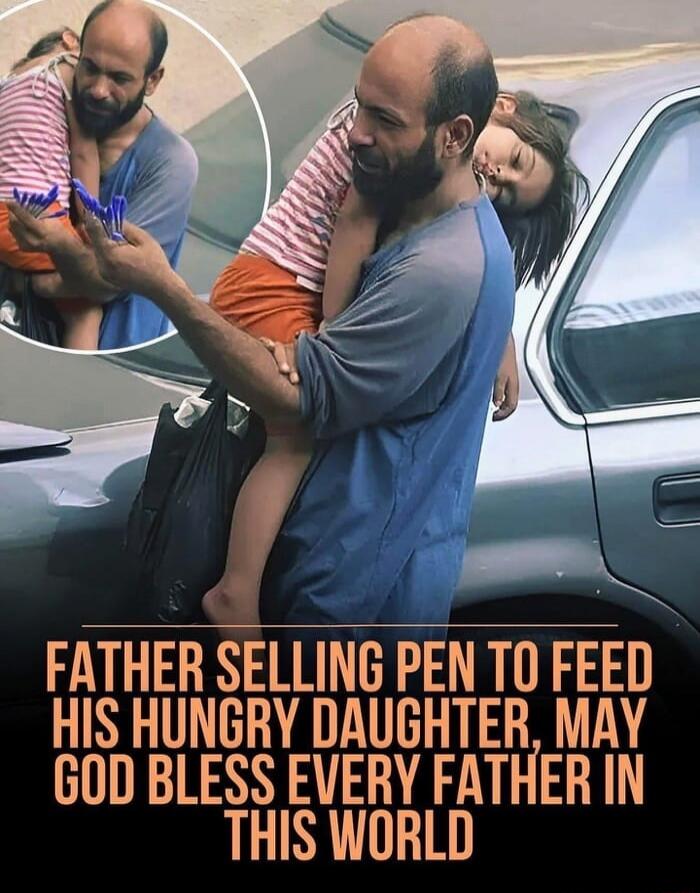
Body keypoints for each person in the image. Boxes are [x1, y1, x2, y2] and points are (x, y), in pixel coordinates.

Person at [83, 15, 516, 657]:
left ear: (456, 136)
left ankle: (237, 589)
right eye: (361, 105)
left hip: (346, 603)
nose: (357, 133)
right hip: (272, 288)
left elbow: (306, 390)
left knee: (292, 437)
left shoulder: (441, 265)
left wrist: (166, 288)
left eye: (386, 120)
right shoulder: (427, 202)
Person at [191, 81, 587, 645]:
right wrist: (337, 329)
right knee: (295, 436)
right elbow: (356, 223)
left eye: (509, 193)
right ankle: (235, 591)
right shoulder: (395, 147)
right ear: (498, 111)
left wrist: (501, 332)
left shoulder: (439, 164)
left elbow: (473, 243)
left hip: (287, 285)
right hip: (272, 283)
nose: (498, 179)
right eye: (516, 160)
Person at [5, 0, 198, 350]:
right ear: (77, 51)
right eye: (90, 68)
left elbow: (106, 281)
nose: (97, 89)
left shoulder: (170, 162)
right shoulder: (50, 114)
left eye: (120, 78)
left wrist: (36, 281)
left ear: (152, 80)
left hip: (113, 357)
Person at [0, 27, 103, 350]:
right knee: (88, 307)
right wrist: (94, 229)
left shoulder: (7, 84)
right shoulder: (68, 67)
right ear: (71, 40)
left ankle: (20, 284)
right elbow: (84, 154)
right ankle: (31, 286)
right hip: (36, 217)